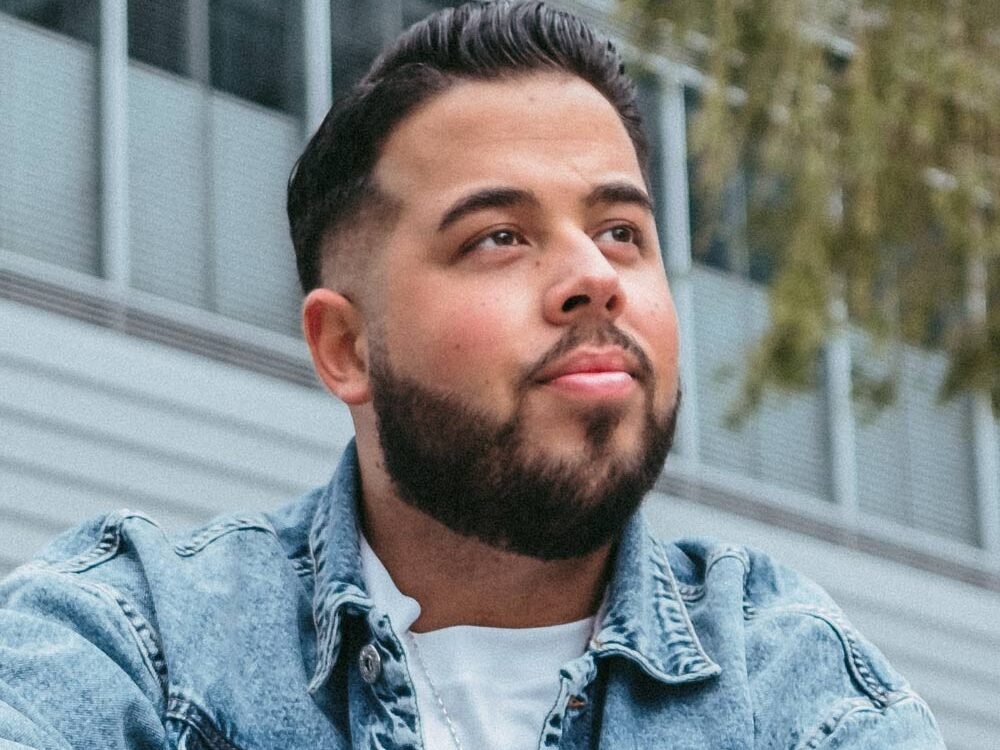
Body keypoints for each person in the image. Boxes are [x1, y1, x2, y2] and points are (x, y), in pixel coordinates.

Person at [0, 2, 946, 748]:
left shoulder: (792, 687)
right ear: (346, 348)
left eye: (622, 231)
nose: (594, 278)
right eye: (499, 237)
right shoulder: (137, 639)